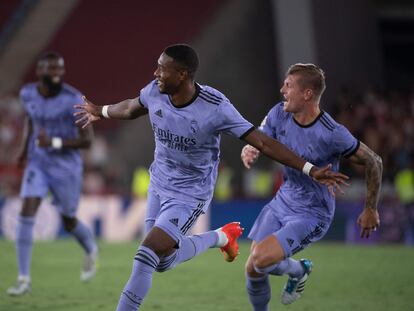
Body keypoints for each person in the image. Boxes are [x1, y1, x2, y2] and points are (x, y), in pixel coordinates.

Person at [74, 44, 348, 311]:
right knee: (161, 261)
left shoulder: (215, 107)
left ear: (182, 75)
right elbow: (133, 107)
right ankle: (220, 237)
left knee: (145, 256)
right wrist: (101, 110)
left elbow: (263, 143)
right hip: (158, 183)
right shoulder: (155, 92)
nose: (156, 74)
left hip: (189, 194)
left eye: (162, 69)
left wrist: (309, 169)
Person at [241, 63, 383, 310]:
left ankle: (298, 269)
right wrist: (250, 148)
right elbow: (260, 137)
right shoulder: (279, 113)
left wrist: (370, 208)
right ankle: (299, 270)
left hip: (312, 213)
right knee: (253, 269)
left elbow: (374, 160)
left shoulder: (332, 133)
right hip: (284, 199)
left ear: (307, 94)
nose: (282, 89)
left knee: (261, 259)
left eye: (289, 85)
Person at [7, 52, 98, 296]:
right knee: (27, 210)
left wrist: (55, 142)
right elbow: (31, 120)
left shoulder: (74, 99)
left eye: (60, 70)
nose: (57, 74)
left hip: (66, 168)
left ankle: (90, 248)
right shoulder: (28, 94)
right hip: (38, 163)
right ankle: (23, 279)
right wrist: (24, 150)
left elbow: (87, 142)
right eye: (51, 70)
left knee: (68, 221)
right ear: (40, 72)